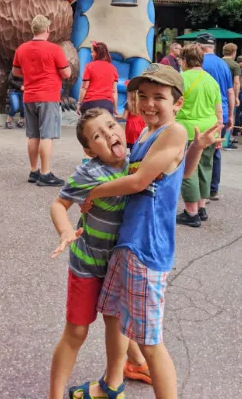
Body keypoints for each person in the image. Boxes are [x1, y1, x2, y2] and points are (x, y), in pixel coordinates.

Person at [74, 64, 221, 399]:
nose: (149, 103)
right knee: (113, 314)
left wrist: (91, 194)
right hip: (126, 242)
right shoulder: (145, 133)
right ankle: (112, 384)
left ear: (178, 103)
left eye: (159, 97)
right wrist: (198, 149)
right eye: (143, 96)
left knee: (150, 341)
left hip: (146, 248)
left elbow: (139, 181)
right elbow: (180, 175)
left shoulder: (174, 131)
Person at [49, 108, 151, 399]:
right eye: (97, 135)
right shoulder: (89, 172)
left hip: (120, 265)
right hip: (88, 265)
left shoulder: (136, 162)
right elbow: (58, 204)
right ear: (89, 150)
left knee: (118, 322)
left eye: (110, 126)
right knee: (77, 333)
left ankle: (131, 366)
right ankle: (54, 394)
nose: (108, 134)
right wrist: (66, 231)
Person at [13, 15, 71, 187]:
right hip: (48, 96)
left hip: (29, 95)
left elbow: (16, 72)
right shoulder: (54, 49)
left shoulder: (21, 49)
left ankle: (34, 171)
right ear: (47, 30)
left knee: (33, 135)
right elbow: (66, 73)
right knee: (47, 135)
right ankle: (45, 174)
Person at [176, 44, 222, 227]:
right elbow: (218, 110)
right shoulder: (211, 80)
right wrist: (218, 131)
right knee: (205, 168)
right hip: (210, 129)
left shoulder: (181, 78)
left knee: (188, 170)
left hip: (188, 130)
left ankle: (191, 211)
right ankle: (201, 207)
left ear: (185, 60)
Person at [196, 32, 234, 200]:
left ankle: (199, 190)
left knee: (198, 152)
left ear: (199, 46)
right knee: (216, 152)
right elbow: (230, 91)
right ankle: (213, 189)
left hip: (203, 111)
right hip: (223, 112)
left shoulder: (197, 63)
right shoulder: (223, 64)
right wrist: (231, 115)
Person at [77, 41, 119, 115]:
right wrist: (115, 108)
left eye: (92, 52)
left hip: (90, 104)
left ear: (97, 53)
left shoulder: (89, 66)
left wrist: (79, 104)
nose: (91, 54)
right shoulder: (113, 69)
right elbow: (114, 91)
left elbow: (84, 88)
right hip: (107, 105)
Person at [122, 85, 145, 150]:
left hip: (131, 127)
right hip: (140, 125)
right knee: (140, 144)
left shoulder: (128, 104)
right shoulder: (142, 103)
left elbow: (124, 117)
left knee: (130, 146)